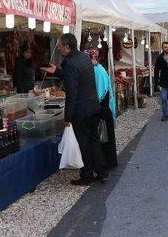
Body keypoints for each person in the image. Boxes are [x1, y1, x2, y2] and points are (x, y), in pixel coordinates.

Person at [41, 34, 107, 185]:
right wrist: (57, 71)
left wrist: (67, 117)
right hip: (93, 106)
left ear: (67, 47)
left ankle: (87, 175)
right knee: (94, 140)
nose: (57, 47)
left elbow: (72, 93)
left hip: (81, 110)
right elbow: (75, 77)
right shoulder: (83, 57)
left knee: (84, 143)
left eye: (59, 45)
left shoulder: (70, 63)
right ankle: (102, 172)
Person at [88, 50, 118, 169]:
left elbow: (100, 93)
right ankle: (108, 162)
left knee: (103, 137)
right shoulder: (99, 69)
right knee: (106, 137)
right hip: (105, 110)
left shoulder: (98, 72)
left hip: (102, 110)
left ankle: (105, 163)